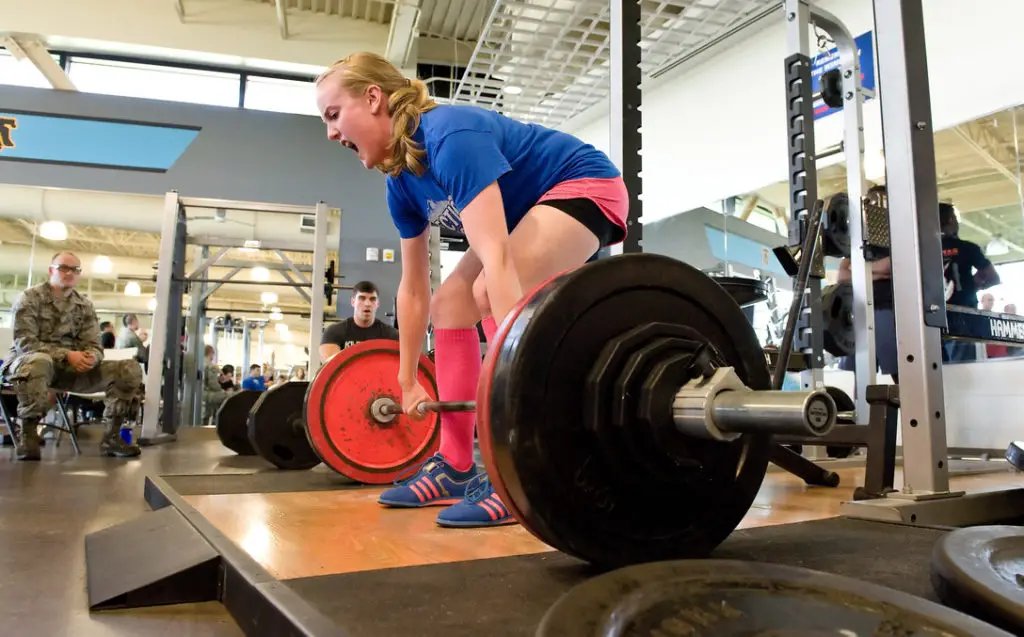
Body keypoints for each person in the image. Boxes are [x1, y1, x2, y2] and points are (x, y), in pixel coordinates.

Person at [314, 52, 628, 528]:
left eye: (333, 115)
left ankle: (517, 465)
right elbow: (415, 290)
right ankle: (456, 463)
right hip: (526, 211)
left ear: (373, 98)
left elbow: (499, 262)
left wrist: (515, 383)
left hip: (582, 186)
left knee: (483, 290)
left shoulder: (450, 137)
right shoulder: (401, 181)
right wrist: (405, 380)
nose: (331, 134)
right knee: (451, 302)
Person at [1, 252, 142, 460]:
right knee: (40, 362)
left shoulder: (84, 305)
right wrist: (67, 355)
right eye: (63, 268)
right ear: (51, 271)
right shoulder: (30, 298)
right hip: (28, 364)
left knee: (129, 369)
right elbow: (26, 343)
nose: (69, 273)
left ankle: (111, 438)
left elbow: (94, 344)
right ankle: (28, 437)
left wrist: (91, 358)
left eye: (75, 270)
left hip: (70, 370)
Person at [837, 185, 899, 384]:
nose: (874, 206)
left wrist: (860, 270)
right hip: (861, 311)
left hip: (888, 309)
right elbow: (842, 275)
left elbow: (890, 265)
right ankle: (861, 414)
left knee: (899, 372)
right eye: (871, 202)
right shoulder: (858, 239)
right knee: (859, 375)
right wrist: (876, 272)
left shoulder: (898, 234)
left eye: (879, 202)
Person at [940, 202, 1000, 363]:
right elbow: (993, 278)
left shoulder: (921, 250)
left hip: (931, 316)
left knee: (937, 372)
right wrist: (974, 285)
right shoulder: (967, 248)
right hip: (964, 315)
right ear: (952, 220)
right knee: (962, 369)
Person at [319, 281, 400, 360]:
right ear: (353, 302)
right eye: (362, 298)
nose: (367, 304)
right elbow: (331, 368)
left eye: (372, 299)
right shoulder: (334, 332)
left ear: (377, 304)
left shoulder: (391, 335)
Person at [202, 345, 229, 422]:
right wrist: (221, 390)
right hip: (208, 394)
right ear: (211, 353)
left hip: (201, 393)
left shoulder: (199, 363)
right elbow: (213, 384)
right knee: (228, 396)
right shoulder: (211, 366)